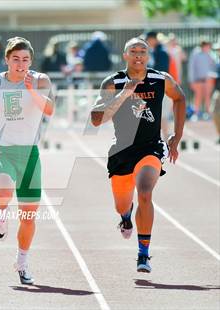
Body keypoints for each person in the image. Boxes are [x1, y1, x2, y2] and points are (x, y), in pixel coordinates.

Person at [90, 37, 186, 273]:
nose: (138, 55)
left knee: (144, 192)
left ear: (148, 55)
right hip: (122, 151)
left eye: (143, 51)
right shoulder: (113, 81)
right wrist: (124, 93)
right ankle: (125, 215)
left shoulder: (160, 79)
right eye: (133, 51)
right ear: (125, 56)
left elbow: (180, 98)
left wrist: (177, 135)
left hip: (150, 148)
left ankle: (143, 254)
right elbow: (95, 119)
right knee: (122, 203)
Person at [0, 37, 54, 284]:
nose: (21, 64)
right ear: (6, 60)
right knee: (3, 189)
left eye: (26, 60)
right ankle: (1, 213)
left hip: (29, 154)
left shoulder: (40, 80)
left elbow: (49, 109)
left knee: (29, 216)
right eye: (16, 59)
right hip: (3, 150)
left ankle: (22, 262)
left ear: (31, 61)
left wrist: (31, 90)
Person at [188, 40, 216, 120]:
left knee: (208, 97)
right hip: (198, 80)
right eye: (206, 45)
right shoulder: (195, 54)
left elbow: (215, 65)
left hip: (208, 80)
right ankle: (196, 114)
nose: (208, 47)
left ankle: (209, 114)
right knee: (198, 97)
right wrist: (191, 80)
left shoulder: (211, 54)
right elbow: (191, 68)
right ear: (203, 45)